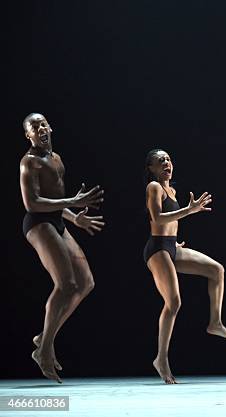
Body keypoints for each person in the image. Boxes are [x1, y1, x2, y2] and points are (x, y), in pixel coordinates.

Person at [19, 113, 105, 383]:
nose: (41, 129)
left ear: (50, 128)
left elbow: (56, 201)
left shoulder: (57, 160)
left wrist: (73, 216)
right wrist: (73, 202)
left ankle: (44, 338)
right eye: (35, 127)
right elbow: (32, 203)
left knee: (86, 282)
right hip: (38, 223)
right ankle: (45, 351)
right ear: (28, 136)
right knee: (66, 284)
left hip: (57, 221)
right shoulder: (28, 162)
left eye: (43, 124)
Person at [144, 149, 226, 384]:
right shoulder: (153, 187)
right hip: (157, 249)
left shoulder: (172, 190)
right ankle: (161, 359)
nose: (166, 163)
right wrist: (189, 210)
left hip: (172, 247)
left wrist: (175, 240)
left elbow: (171, 222)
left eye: (168, 159)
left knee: (216, 270)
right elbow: (157, 219)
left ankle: (215, 322)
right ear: (151, 169)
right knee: (173, 302)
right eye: (160, 161)